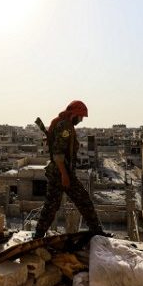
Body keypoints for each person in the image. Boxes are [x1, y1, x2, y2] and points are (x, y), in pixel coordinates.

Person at [33, 100, 106, 239]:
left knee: (52, 206)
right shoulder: (65, 126)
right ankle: (97, 232)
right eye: (81, 116)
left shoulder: (62, 124)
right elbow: (58, 154)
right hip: (61, 173)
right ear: (74, 114)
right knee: (81, 201)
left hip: (60, 172)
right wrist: (65, 175)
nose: (81, 120)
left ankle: (38, 235)